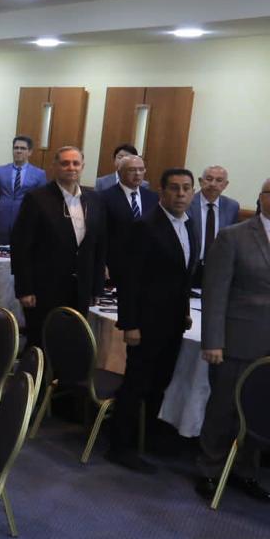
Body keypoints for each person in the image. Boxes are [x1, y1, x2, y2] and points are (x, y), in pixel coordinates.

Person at [106, 168, 198, 473]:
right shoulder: (145, 226)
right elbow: (129, 280)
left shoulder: (189, 225)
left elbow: (183, 277)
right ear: (162, 191)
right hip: (145, 323)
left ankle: (145, 437)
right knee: (136, 383)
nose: (181, 194)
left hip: (173, 321)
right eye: (175, 188)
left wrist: (185, 311)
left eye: (186, 188)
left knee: (160, 382)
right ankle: (120, 446)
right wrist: (129, 323)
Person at [194, 177, 270, 502]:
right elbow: (215, 293)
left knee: (259, 410)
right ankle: (208, 470)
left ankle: (244, 471)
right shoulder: (233, 237)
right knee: (224, 408)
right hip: (236, 340)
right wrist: (212, 340)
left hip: (266, 348)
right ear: (261, 196)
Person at [10, 146, 107, 343]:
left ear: (82, 167)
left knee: (71, 342)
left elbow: (98, 246)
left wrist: (96, 287)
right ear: (54, 167)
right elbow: (21, 246)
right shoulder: (37, 199)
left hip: (80, 288)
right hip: (44, 288)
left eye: (76, 163)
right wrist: (24, 288)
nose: (71, 168)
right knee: (42, 341)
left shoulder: (94, 200)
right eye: (65, 163)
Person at [99, 154, 158, 285]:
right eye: (132, 170)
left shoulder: (153, 198)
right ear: (120, 172)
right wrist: (102, 263)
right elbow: (100, 234)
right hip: (115, 265)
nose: (137, 174)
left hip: (145, 266)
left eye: (141, 169)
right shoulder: (104, 197)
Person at [0, 135, 47, 245]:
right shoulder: (0, 171)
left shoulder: (39, 174)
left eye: (23, 148)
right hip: (0, 222)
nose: (18, 151)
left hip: (25, 223)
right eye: (16, 148)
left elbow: (42, 204)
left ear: (30, 152)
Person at [189, 165, 240, 285]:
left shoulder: (232, 206)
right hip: (191, 266)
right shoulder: (187, 202)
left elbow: (233, 240)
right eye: (209, 179)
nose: (213, 184)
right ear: (200, 181)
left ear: (225, 185)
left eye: (219, 180)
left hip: (218, 269)